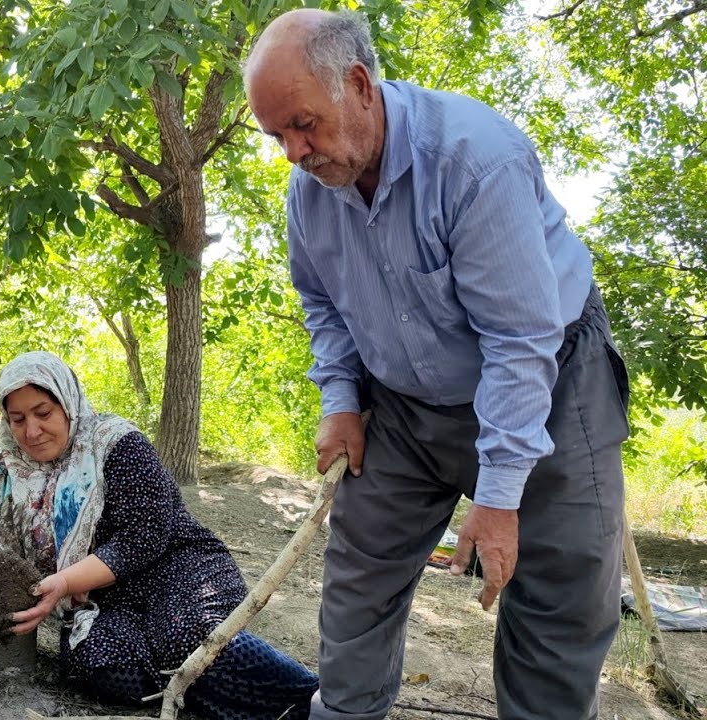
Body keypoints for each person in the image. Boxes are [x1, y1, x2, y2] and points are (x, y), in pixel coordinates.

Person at [243, 10, 628, 720]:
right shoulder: (310, 195)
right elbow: (322, 305)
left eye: (303, 125)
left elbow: (518, 341)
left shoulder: (476, 160)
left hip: (550, 383)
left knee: (559, 594)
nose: (293, 153)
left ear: (359, 85)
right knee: (359, 570)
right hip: (403, 403)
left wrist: (500, 497)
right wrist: (340, 400)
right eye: (277, 137)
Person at [0, 351, 319, 720]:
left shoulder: (116, 444)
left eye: (43, 413)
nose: (31, 431)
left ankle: (317, 700)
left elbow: (144, 537)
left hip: (176, 566)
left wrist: (63, 582)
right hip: (103, 599)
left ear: (68, 404)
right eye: (18, 419)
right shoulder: (1, 474)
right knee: (99, 664)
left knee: (190, 639)